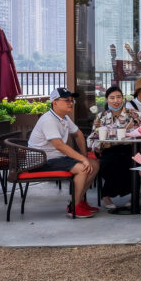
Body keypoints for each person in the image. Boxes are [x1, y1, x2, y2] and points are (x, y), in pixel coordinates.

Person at [28, 87, 99, 217]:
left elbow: (78, 134)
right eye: (67, 100)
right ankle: (74, 208)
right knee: (82, 168)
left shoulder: (64, 117)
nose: (71, 103)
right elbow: (59, 145)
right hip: (41, 160)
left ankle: (79, 201)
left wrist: (84, 156)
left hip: (55, 158)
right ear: (54, 103)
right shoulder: (49, 119)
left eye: (72, 100)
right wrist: (82, 160)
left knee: (93, 165)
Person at [91, 85, 141, 209]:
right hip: (109, 150)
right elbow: (93, 138)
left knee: (132, 162)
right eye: (112, 98)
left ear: (123, 98)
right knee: (110, 162)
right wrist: (102, 143)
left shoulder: (134, 115)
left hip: (130, 149)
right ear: (107, 100)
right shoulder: (101, 117)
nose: (116, 101)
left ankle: (135, 195)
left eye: (119, 97)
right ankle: (106, 196)